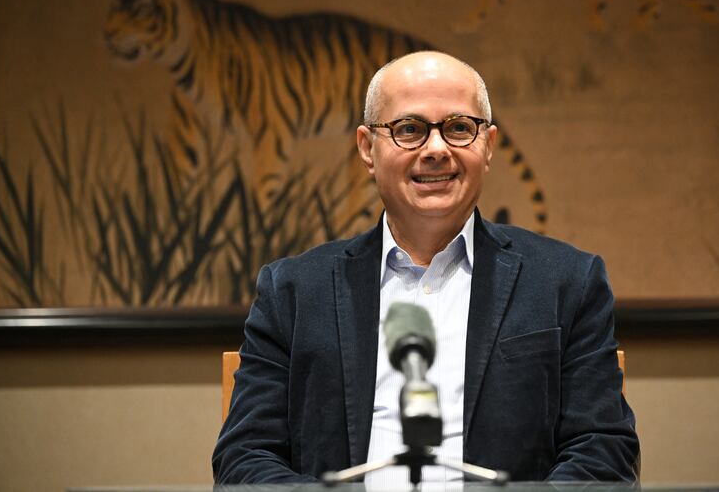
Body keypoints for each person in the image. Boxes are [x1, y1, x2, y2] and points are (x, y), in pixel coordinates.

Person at [212, 51, 640, 484]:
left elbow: (603, 452)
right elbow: (246, 457)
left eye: (458, 128)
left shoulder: (567, 282)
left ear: (488, 146)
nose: (436, 150)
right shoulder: (293, 291)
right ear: (367, 148)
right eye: (410, 130)